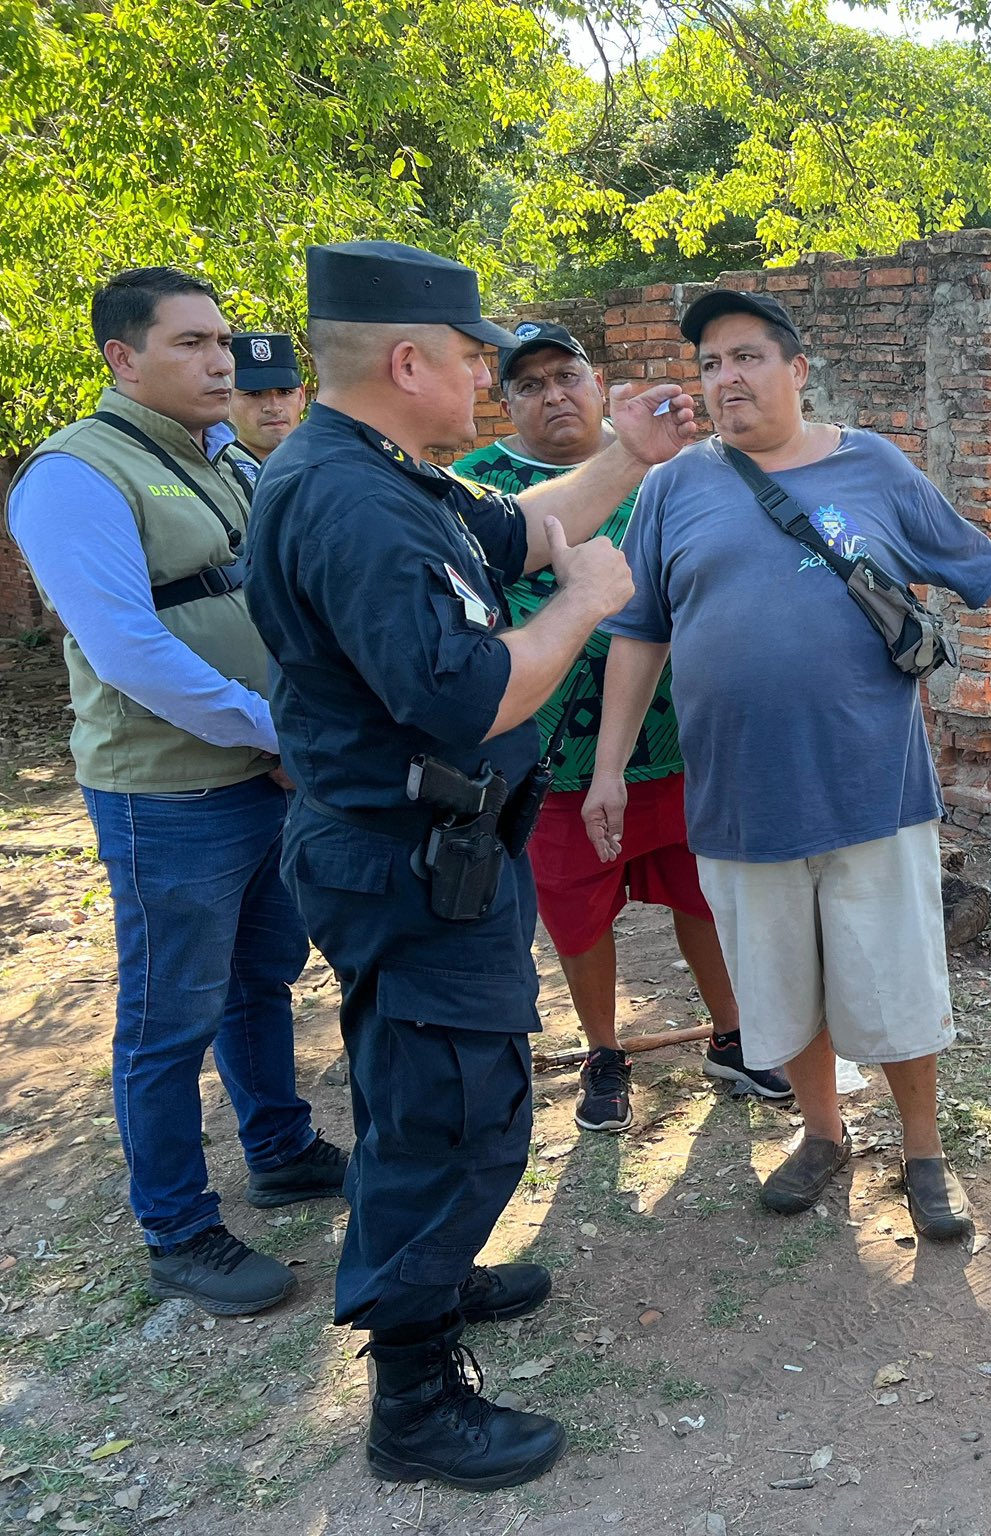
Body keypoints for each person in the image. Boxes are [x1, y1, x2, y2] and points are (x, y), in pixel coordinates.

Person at [244, 241, 697, 1490]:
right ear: (409, 361)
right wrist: (582, 606)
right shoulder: (346, 501)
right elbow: (462, 694)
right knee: (452, 1116)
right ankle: (415, 1397)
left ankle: (434, 1280)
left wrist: (630, 451)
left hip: (429, 856)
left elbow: (517, 531)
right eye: (470, 355)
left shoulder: (387, 472)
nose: (485, 375)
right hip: (406, 857)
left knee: (422, 1088)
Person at [587, 290, 991, 1243]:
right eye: (711, 364)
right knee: (781, 983)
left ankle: (925, 1152)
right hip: (738, 796)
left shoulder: (873, 467)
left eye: (747, 357)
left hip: (870, 788)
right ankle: (823, 1133)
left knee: (894, 981)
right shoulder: (675, 487)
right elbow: (639, 635)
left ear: (797, 369)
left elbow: (973, 563)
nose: (727, 378)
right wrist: (609, 766)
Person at [4, 268, 345, 1318]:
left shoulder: (219, 456)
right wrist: (272, 728)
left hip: (259, 774)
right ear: (122, 356)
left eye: (223, 340)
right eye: (192, 343)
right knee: (169, 1015)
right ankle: (177, 1228)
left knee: (261, 981)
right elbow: (129, 650)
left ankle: (279, 1148)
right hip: (169, 795)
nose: (221, 362)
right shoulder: (74, 475)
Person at [452, 321, 789, 1131]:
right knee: (577, 909)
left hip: (685, 739)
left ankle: (734, 1033)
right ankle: (603, 1050)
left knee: (706, 893)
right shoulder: (479, 489)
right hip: (555, 755)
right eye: (528, 385)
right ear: (506, 403)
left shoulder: (670, 469)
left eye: (565, 375)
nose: (552, 395)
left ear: (599, 383)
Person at [227, 331, 306, 473]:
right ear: (225, 399)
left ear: (301, 396)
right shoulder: (216, 472)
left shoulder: (326, 465)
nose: (274, 407)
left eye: (284, 392)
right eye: (254, 394)